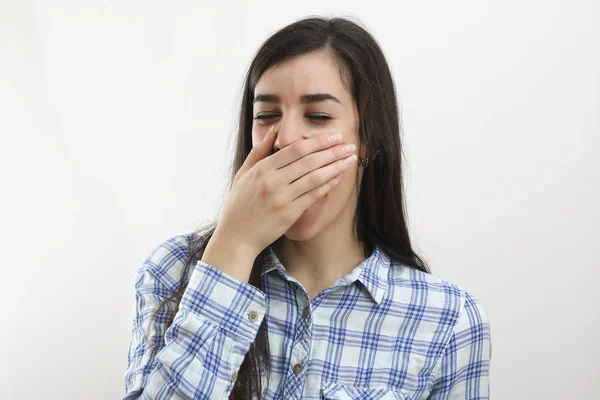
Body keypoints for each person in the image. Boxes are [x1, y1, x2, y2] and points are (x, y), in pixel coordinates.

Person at [123, 16, 491, 400]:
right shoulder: (173, 271)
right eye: (266, 116)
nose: (285, 141)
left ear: (368, 141)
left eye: (318, 117)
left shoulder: (449, 320)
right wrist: (236, 243)